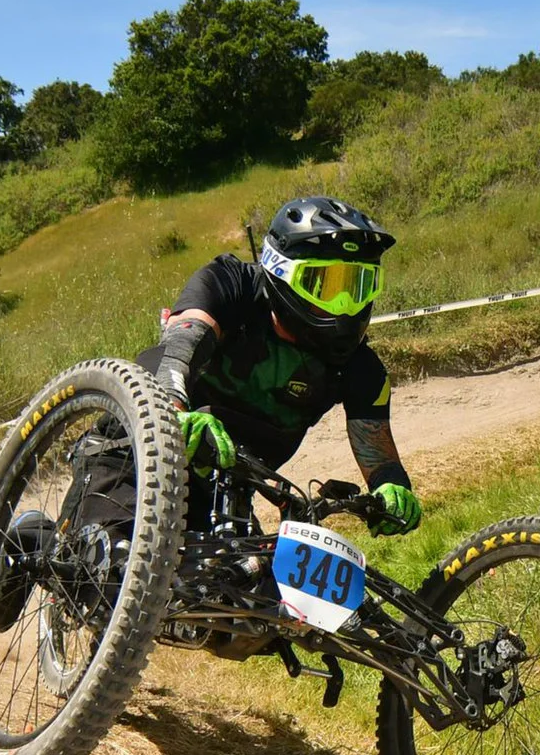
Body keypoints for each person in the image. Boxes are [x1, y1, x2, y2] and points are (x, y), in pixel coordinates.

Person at [142, 195, 421, 535]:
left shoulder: (360, 367)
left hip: (225, 497)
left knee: (255, 587)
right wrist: (171, 410)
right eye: (325, 286)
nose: (345, 307)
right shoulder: (231, 284)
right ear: (281, 273)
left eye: (357, 287)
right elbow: (180, 347)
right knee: (103, 574)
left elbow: (380, 461)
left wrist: (392, 488)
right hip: (140, 456)